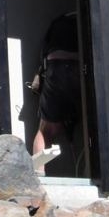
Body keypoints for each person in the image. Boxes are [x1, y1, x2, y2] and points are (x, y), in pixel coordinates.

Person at [31, 12, 82, 173]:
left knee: (46, 130)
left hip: (56, 70)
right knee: (97, 127)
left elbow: (44, 54)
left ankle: (39, 176)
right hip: (82, 70)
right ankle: (95, 173)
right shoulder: (91, 18)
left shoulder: (59, 22)